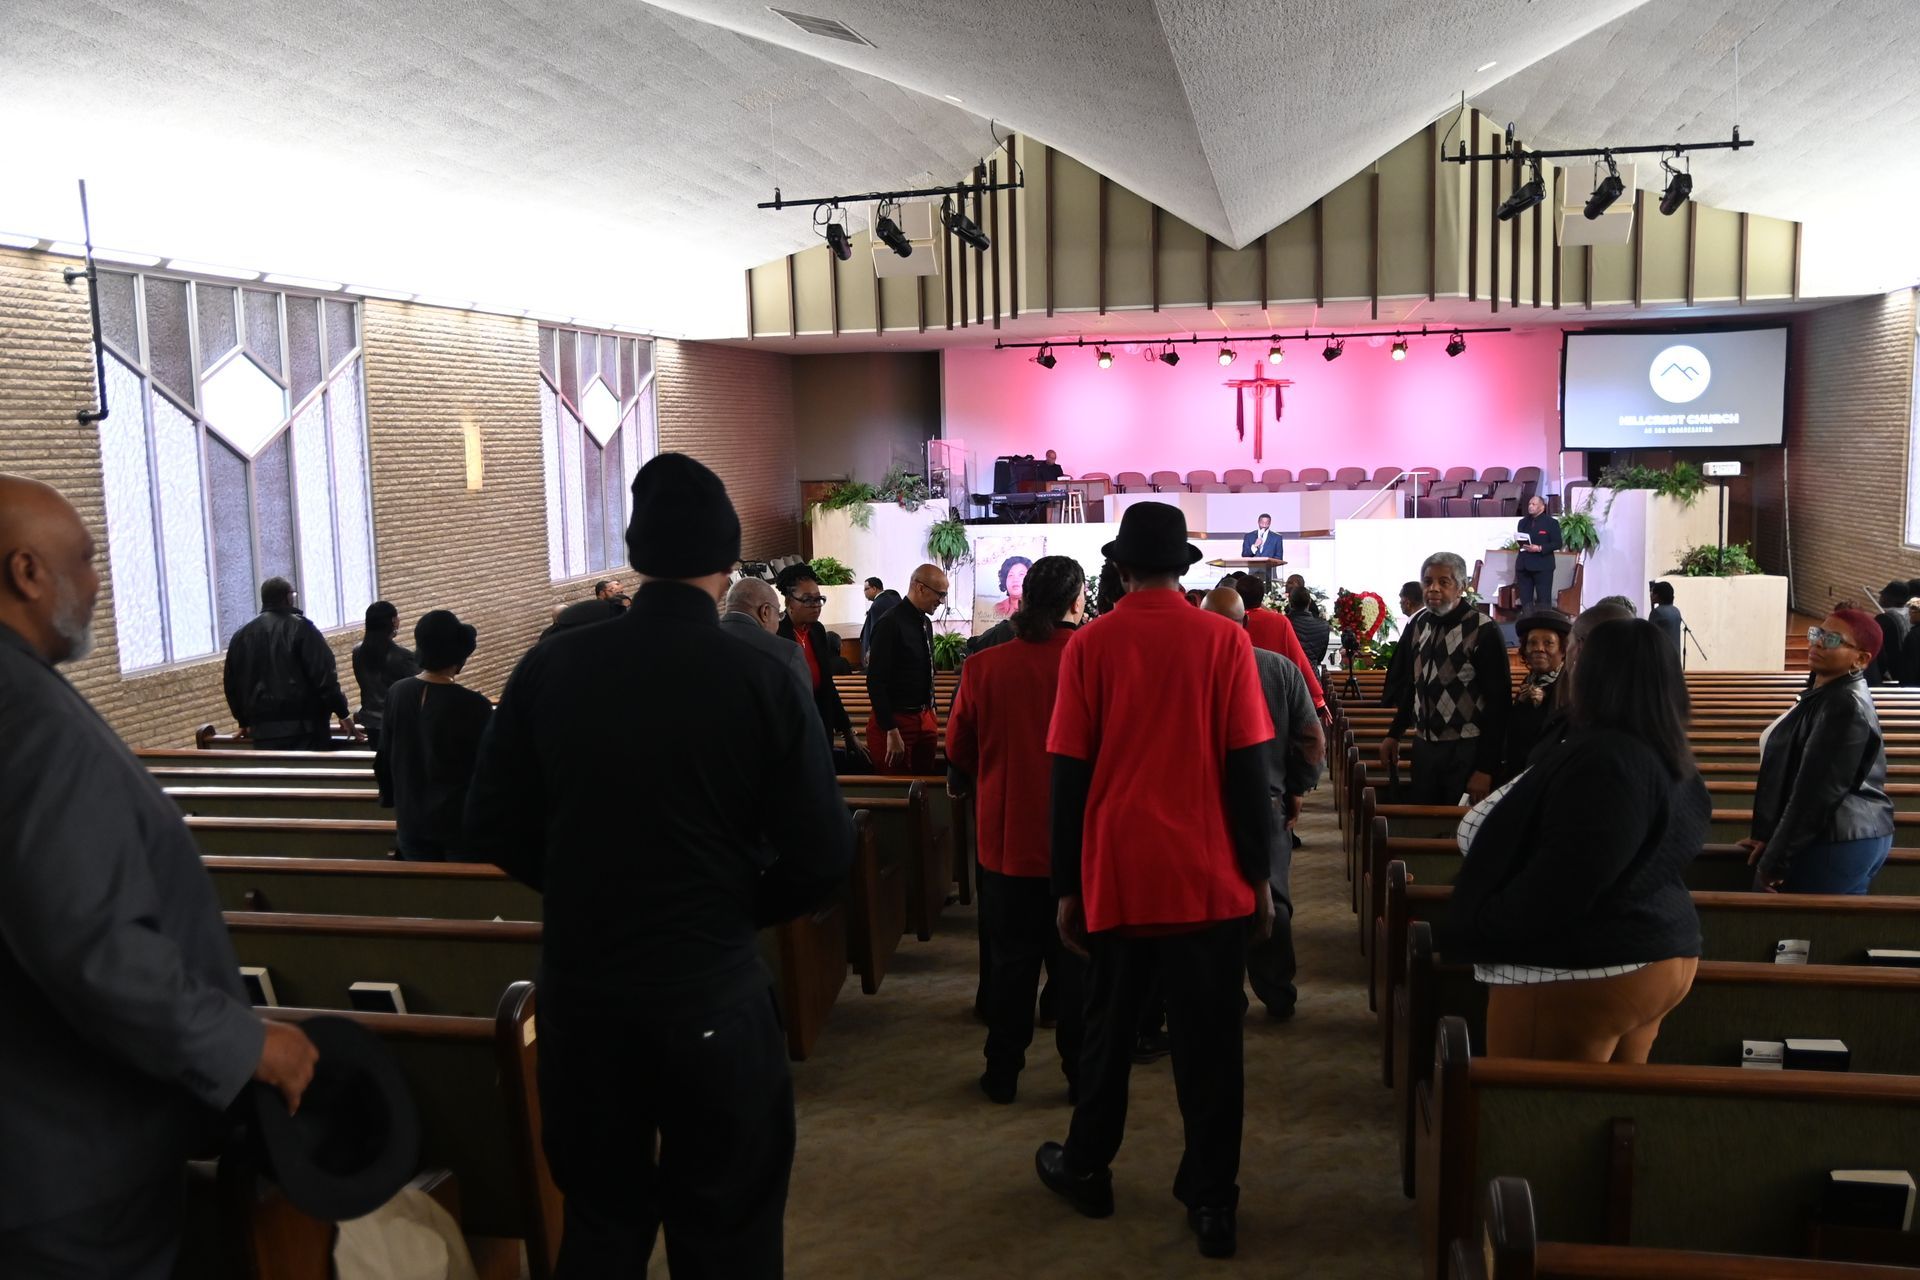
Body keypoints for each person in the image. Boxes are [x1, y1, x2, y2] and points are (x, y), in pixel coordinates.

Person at [465, 453, 854, 1277]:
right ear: (730, 559)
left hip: (584, 994)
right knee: (727, 1232)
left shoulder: (550, 665)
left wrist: (587, 888)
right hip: (708, 988)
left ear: (637, 553)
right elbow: (824, 854)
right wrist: (733, 903)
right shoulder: (760, 673)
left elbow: (490, 822)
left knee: (600, 1226)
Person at [0, 475, 316, 1277]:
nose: (97, 583)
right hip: (67, 1168)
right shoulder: (31, 721)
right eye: (84, 559)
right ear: (26, 571)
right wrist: (243, 1044)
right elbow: (94, 946)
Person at [1035, 502, 1275, 1261]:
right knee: (1213, 1048)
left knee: (1107, 1033)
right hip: (1207, 874)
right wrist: (1261, 875)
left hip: (1120, 872)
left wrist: (1066, 885)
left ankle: (1088, 1167)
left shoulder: (1089, 644)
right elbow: (1248, 770)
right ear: (1182, 568)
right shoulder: (1225, 641)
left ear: (1120, 569)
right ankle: (1212, 1201)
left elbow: (1068, 775)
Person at [1437, 617, 1707, 1063]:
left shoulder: (1608, 760)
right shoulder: (1663, 749)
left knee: (1531, 1102)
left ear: (1595, 675)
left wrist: (1486, 924)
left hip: (1584, 961)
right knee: (1596, 1102)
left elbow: (1566, 880)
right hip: (1659, 949)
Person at [946, 557, 1088, 1105]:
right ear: (1075, 601)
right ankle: (1080, 1075)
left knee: (1010, 966)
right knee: (1077, 967)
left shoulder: (985, 665)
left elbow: (959, 747)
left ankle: (1002, 1073)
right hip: (1078, 843)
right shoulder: (1092, 660)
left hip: (1007, 842)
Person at [1200, 586, 1325, 1020]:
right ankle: (1277, 992)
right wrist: (1297, 788)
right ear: (1247, 623)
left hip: (1204, 806)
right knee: (1273, 898)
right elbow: (1310, 739)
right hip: (1269, 801)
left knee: (1215, 904)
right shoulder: (1279, 668)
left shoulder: (1190, 670)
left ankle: (1224, 995)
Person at [1743, 610, 1897, 894]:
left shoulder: (1844, 704)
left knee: (1795, 921)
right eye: (1818, 633)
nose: (1817, 642)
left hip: (1836, 838)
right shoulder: (1826, 694)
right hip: (1837, 834)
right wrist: (1770, 835)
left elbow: (1816, 792)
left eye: (1833, 639)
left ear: (1861, 659)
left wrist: (1775, 859)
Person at [1379, 552, 1511, 805]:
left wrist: (1486, 768)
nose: (1433, 588)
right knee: (1424, 818)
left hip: (1465, 748)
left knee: (1457, 823)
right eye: (1428, 582)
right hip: (1424, 747)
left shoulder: (1482, 628)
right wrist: (1394, 733)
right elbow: (1413, 685)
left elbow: (1499, 703)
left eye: (1444, 582)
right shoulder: (1419, 624)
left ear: (1461, 587)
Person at [375, 610, 493, 861]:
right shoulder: (474, 705)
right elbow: (489, 769)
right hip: (457, 826)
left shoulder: (397, 693)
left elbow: (385, 755)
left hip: (410, 822)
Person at [223, 576, 357, 749]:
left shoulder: (241, 636)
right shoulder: (302, 628)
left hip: (262, 732)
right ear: (287, 597)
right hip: (305, 729)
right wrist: (343, 713)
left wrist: (243, 720)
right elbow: (324, 676)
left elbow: (231, 684)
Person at [776, 563, 867, 770]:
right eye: (808, 599)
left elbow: (827, 686)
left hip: (821, 725)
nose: (816, 605)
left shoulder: (817, 631)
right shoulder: (777, 633)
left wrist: (847, 731)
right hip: (791, 731)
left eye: (819, 599)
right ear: (789, 602)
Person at [865, 563, 949, 774]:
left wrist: (931, 708)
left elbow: (926, 669)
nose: (942, 601)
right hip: (896, 721)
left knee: (925, 782)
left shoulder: (925, 622)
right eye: (940, 594)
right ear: (920, 588)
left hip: (924, 716)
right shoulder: (889, 623)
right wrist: (891, 729)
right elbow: (875, 682)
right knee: (898, 786)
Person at [1232, 573, 1325, 712]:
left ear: (1238, 596)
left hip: (1240, 692)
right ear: (1262, 596)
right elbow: (1298, 658)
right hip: (1275, 692)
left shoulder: (1232, 623)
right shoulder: (1279, 621)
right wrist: (1318, 699)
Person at [1499, 610, 1569, 785]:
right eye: (1532, 643)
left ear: (1563, 650)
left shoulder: (1570, 684)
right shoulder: (1530, 680)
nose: (1539, 649)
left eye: (1548, 643)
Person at [721, 578, 811, 696]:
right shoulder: (787, 652)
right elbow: (802, 706)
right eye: (778, 614)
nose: (778, 622)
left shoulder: (699, 642)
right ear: (765, 611)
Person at [351, 600, 419, 751]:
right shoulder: (403, 656)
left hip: (370, 724)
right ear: (394, 621)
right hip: (397, 724)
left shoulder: (357, 652)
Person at [1378, 581, 1425, 710]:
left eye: (1401, 598)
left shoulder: (1419, 624)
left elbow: (1408, 667)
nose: (1400, 602)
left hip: (1407, 701)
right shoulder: (1419, 621)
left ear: (1407, 601)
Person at [1513, 494, 1562, 610]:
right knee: (1526, 603)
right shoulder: (1522, 522)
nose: (1530, 506)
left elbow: (1557, 543)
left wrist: (1539, 548)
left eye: (1534, 504)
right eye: (1529, 504)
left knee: (1543, 602)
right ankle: (1527, 620)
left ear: (1542, 507)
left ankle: (1543, 621)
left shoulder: (1551, 523)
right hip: (1524, 566)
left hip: (1542, 567)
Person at [1868, 582, 1913, 685]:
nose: (1881, 598)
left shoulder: (1884, 619)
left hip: (1893, 673)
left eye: (1883, 595)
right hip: (1909, 670)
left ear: (1889, 599)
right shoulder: (1910, 613)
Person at [1283, 586, 1331, 669]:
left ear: (1290, 602)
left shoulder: (1283, 623)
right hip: (1311, 671)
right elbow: (1320, 657)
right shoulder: (1323, 626)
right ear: (1309, 602)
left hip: (1288, 672)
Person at [860, 576, 900, 669]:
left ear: (874, 589)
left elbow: (875, 631)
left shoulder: (877, 605)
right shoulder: (893, 598)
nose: (864, 592)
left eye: (866, 589)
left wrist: (870, 651)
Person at [1647, 581, 1683, 656]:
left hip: (1662, 655)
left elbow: (1649, 635)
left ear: (1658, 595)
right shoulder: (1676, 610)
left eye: (1653, 593)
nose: (1651, 595)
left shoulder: (1657, 612)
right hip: (1675, 655)